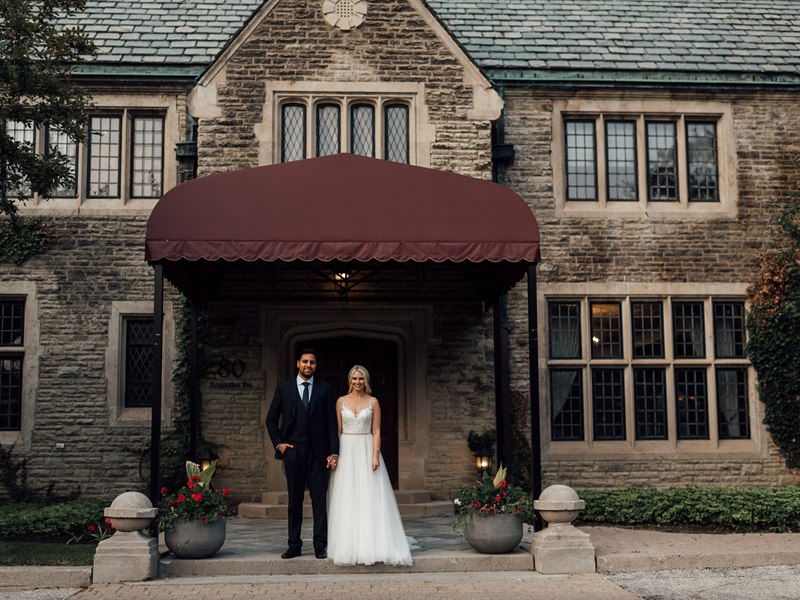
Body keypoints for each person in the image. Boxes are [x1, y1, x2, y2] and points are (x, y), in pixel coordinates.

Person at [327, 365, 413, 566]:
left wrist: (375, 455)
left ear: (366, 381)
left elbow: (376, 430)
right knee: (347, 496)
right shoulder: (340, 402)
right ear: (349, 380)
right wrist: (334, 454)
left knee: (368, 495)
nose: (357, 382)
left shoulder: (373, 402)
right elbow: (337, 431)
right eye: (354, 379)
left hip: (366, 448)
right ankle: (347, 544)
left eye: (361, 379)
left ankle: (371, 543)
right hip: (346, 449)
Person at [266, 349, 339, 559]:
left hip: (319, 453)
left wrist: (333, 451)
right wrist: (278, 444)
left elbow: (331, 423)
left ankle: (319, 546)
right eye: (305, 361)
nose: (308, 365)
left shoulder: (325, 389)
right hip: (293, 451)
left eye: (312, 362)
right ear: (298, 363)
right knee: (294, 501)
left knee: (319, 502)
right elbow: (271, 419)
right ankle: (294, 545)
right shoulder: (284, 389)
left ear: (316, 366)